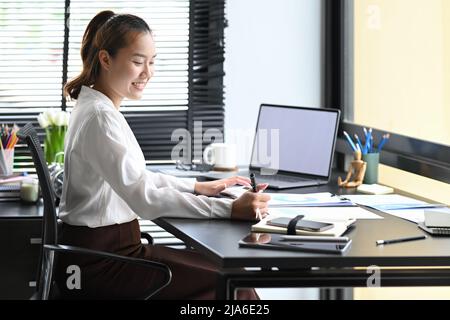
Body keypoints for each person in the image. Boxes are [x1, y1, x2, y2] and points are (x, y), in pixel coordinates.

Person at [56, 10, 271, 299]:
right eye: (137, 62)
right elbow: (144, 197)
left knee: (229, 277)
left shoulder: (98, 107)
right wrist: (230, 209)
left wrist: (196, 187)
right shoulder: (100, 117)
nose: (148, 72)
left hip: (103, 254)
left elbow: (138, 179)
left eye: (152, 62)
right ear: (106, 59)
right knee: (234, 285)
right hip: (102, 265)